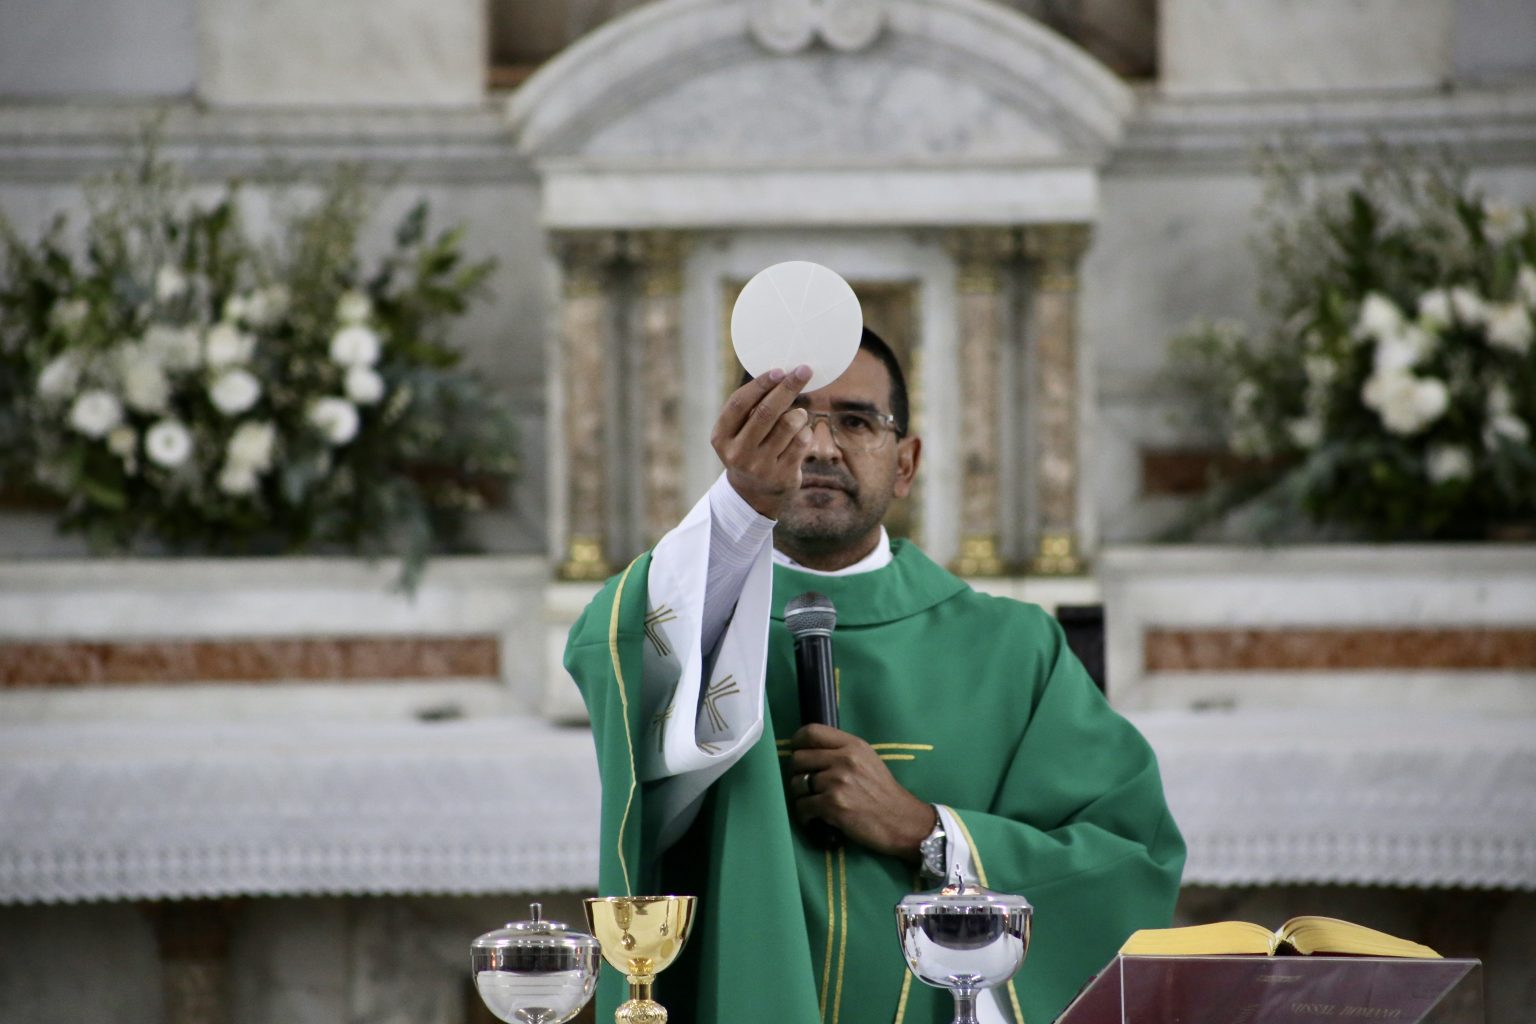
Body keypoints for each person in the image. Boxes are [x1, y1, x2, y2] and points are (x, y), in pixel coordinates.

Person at [565, 329, 1184, 1024]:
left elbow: (1130, 861)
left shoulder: (1015, 648)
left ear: (905, 463)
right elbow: (613, 648)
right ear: (740, 443)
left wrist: (927, 830)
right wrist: (739, 507)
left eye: (857, 422)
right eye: (789, 420)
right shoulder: (690, 621)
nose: (820, 447)